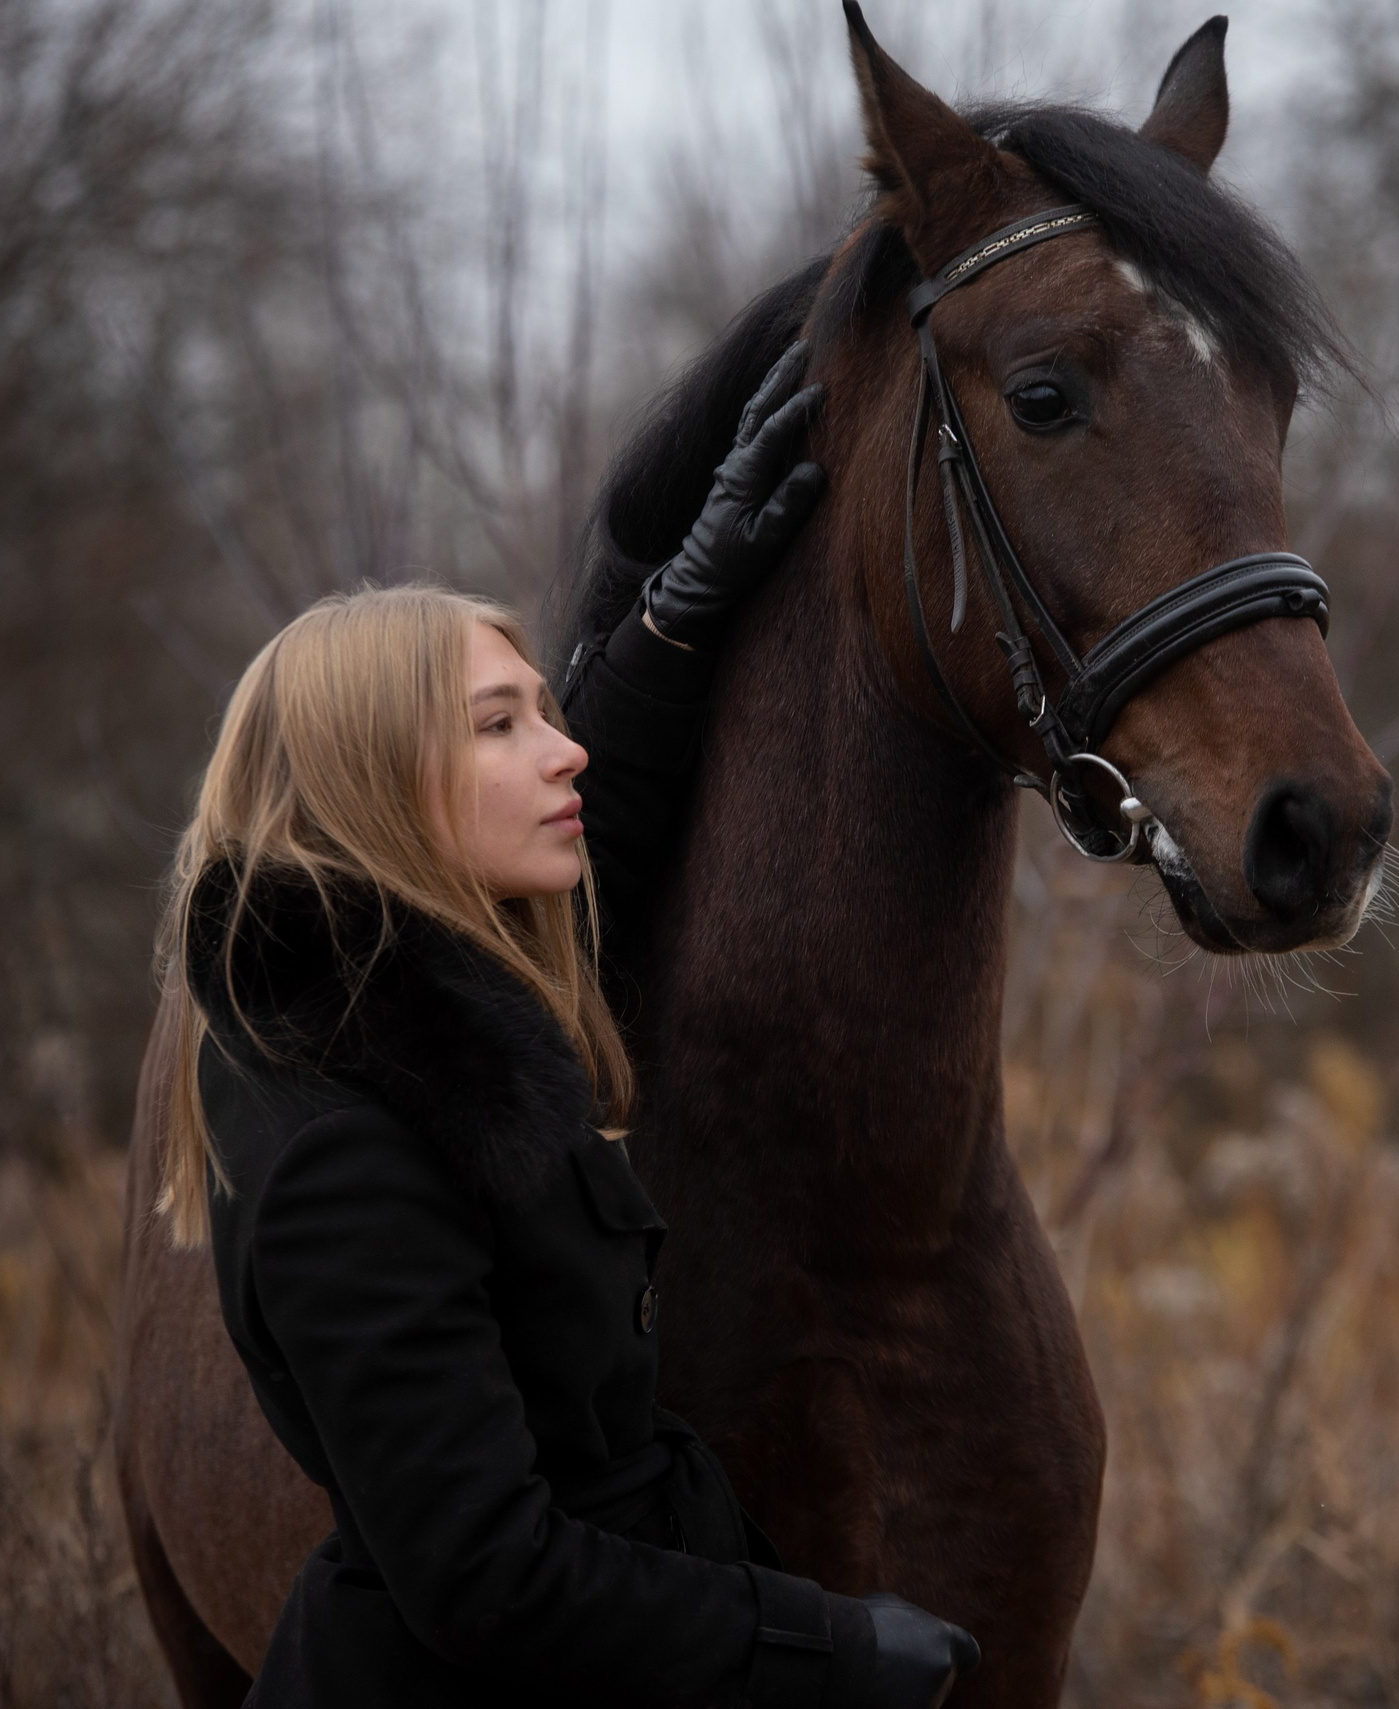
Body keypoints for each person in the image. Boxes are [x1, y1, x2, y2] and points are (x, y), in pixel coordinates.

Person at [151, 347, 981, 1707]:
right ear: (375, 783)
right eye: (501, 722)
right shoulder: (342, 1153)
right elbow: (489, 1575)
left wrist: (674, 619)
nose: (564, 750)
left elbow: (599, 867)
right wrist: (824, 1647)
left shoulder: (404, 1011)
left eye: (545, 709)